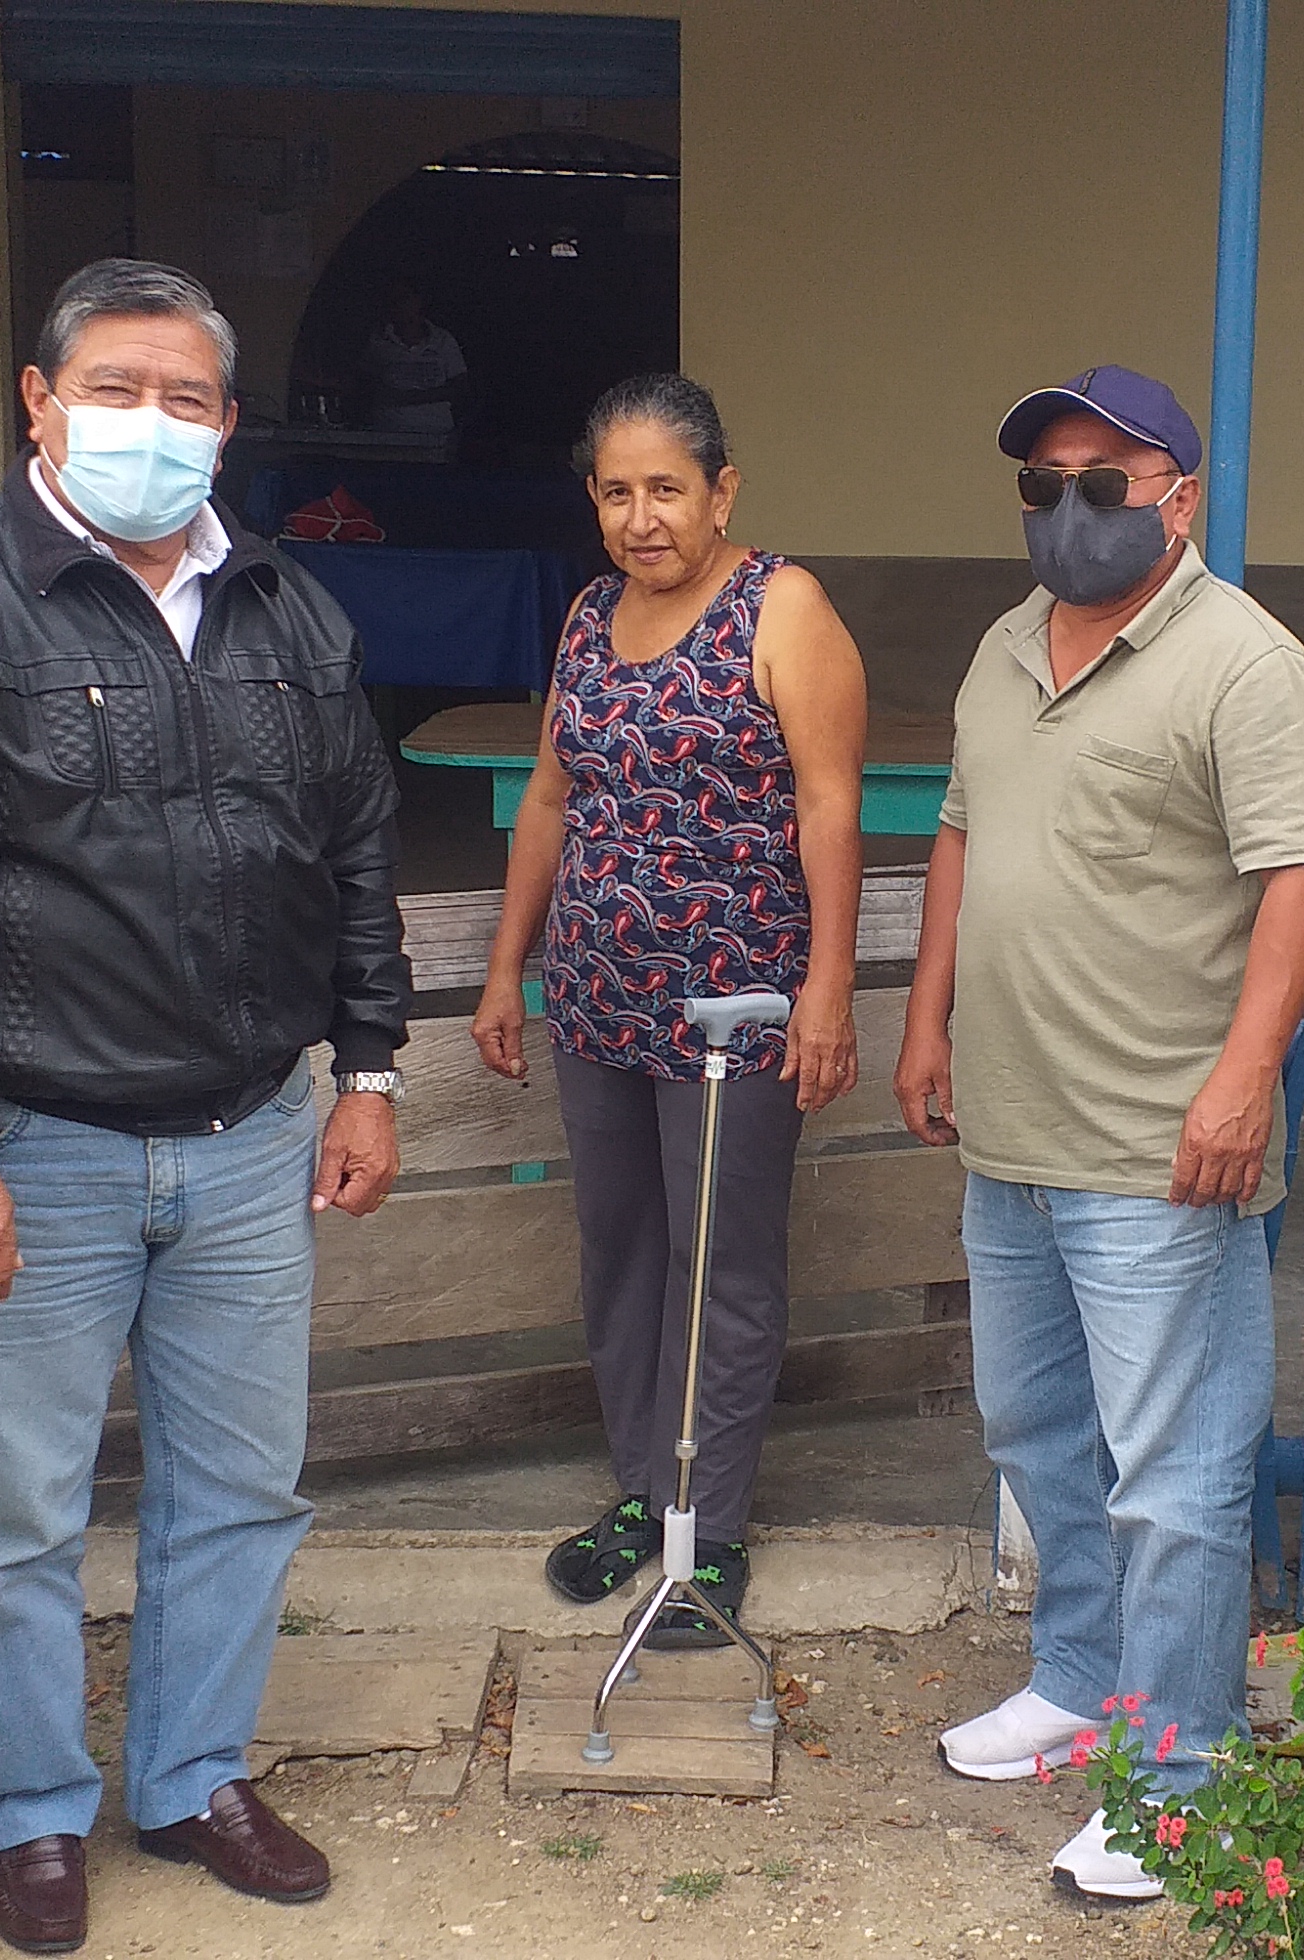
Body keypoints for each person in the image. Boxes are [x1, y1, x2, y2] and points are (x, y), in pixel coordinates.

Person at [0, 256, 407, 1955]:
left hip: (249, 1138)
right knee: (16, 1521)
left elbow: (357, 856)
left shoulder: (289, 612)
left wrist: (365, 1072)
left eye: (185, 398)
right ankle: (29, 1814)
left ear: (228, 421)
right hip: (28, 1147)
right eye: (116, 389)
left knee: (241, 1493)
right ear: (39, 400)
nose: (152, 422)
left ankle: (193, 1777)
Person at [894, 365, 1304, 1904]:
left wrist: (1243, 1080)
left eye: (1105, 483)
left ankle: (1182, 1781)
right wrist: (925, 1019)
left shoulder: (1244, 664)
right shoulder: (1004, 646)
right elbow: (961, 832)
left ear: (1180, 498)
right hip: (1012, 1130)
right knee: (1034, 1433)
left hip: (1163, 1146)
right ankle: (1083, 1682)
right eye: (1045, 485)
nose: (1070, 510)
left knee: (1174, 1475)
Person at [471, 373, 869, 1643]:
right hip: (596, 1000)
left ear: (721, 490)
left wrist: (825, 990)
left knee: (723, 1264)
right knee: (622, 1252)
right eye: (616, 493)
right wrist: (507, 966)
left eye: (666, 489)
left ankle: (715, 1523)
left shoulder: (783, 607)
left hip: (735, 1011)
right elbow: (551, 797)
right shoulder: (589, 614)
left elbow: (830, 805)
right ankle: (646, 1495)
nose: (642, 518)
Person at [359, 282, 468, 438]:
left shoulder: (443, 340)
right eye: (393, 300)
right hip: (387, 434)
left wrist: (410, 397)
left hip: (437, 435)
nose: (399, 304)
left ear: (418, 301)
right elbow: (366, 384)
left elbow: (460, 386)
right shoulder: (377, 342)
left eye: (404, 298)